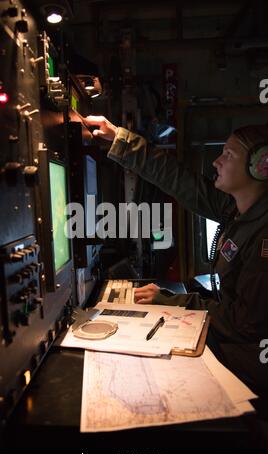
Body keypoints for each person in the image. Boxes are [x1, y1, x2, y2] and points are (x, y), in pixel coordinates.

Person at [83, 115, 268, 394]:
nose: (217, 161)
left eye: (228, 155)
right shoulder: (235, 209)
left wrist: (177, 302)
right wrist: (121, 138)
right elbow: (179, 180)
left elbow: (244, 324)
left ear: (261, 166)